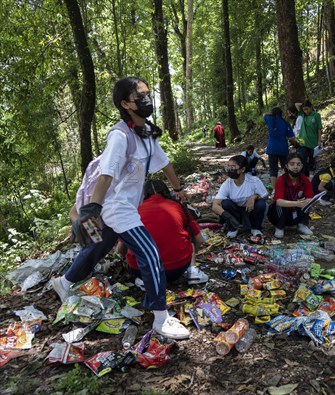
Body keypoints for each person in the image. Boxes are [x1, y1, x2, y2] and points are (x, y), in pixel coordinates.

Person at [50, 76, 191, 339]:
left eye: (149, 94)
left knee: (99, 247)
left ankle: (65, 282)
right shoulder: (119, 135)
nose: (148, 100)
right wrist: (92, 208)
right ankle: (161, 317)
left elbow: (165, 163)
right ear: (126, 103)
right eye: (141, 96)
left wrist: (179, 189)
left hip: (126, 206)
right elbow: (106, 175)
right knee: (150, 253)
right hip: (115, 206)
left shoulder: (146, 132)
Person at [117, 180, 204, 281]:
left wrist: (126, 259)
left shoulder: (134, 210)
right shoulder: (179, 207)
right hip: (175, 269)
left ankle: (144, 281)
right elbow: (199, 240)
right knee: (190, 235)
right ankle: (192, 271)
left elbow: (120, 249)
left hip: (141, 270)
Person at [212, 155, 268, 238]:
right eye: (229, 167)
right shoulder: (228, 183)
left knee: (261, 204)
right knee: (225, 203)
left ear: (242, 169)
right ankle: (233, 228)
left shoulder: (253, 180)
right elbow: (215, 205)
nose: (230, 169)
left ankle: (256, 227)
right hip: (235, 212)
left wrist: (254, 197)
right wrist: (228, 217)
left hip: (250, 210)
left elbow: (265, 196)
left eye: (233, 167)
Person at [268, 153, 315, 238]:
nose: (295, 167)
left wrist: (309, 202)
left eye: (298, 164)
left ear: (302, 166)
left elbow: (310, 197)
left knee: (307, 202)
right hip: (277, 215)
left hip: (295, 213)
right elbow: (279, 201)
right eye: (292, 164)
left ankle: (302, 224)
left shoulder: (305, 180)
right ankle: (279, 227)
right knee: (282, 201)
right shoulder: (281, 180)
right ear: (287, 166)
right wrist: (297, 203)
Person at [265, 107, 297, 189]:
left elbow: (264, 114)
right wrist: (296, 144)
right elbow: (291, 137)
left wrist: (271, 113)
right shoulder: (286, 123)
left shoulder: (269, 120)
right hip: (283, 148)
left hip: (272, 148)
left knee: (273, 170)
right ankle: (283, 186)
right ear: (281, 114)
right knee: (285, 167)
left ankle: (274, 190)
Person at [297, 100, 323, 176]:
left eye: (307, 109)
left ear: (311, 107)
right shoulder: (303, 115)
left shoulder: (316, 115)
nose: (306, 111)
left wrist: (319, 140)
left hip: (313, 142)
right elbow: (296, 105)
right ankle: (304, 177)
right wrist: (303, 104)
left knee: (312, 162)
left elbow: (319, 128)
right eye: (304, 109)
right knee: (302, 160)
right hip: (302, 142)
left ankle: (311, 177)